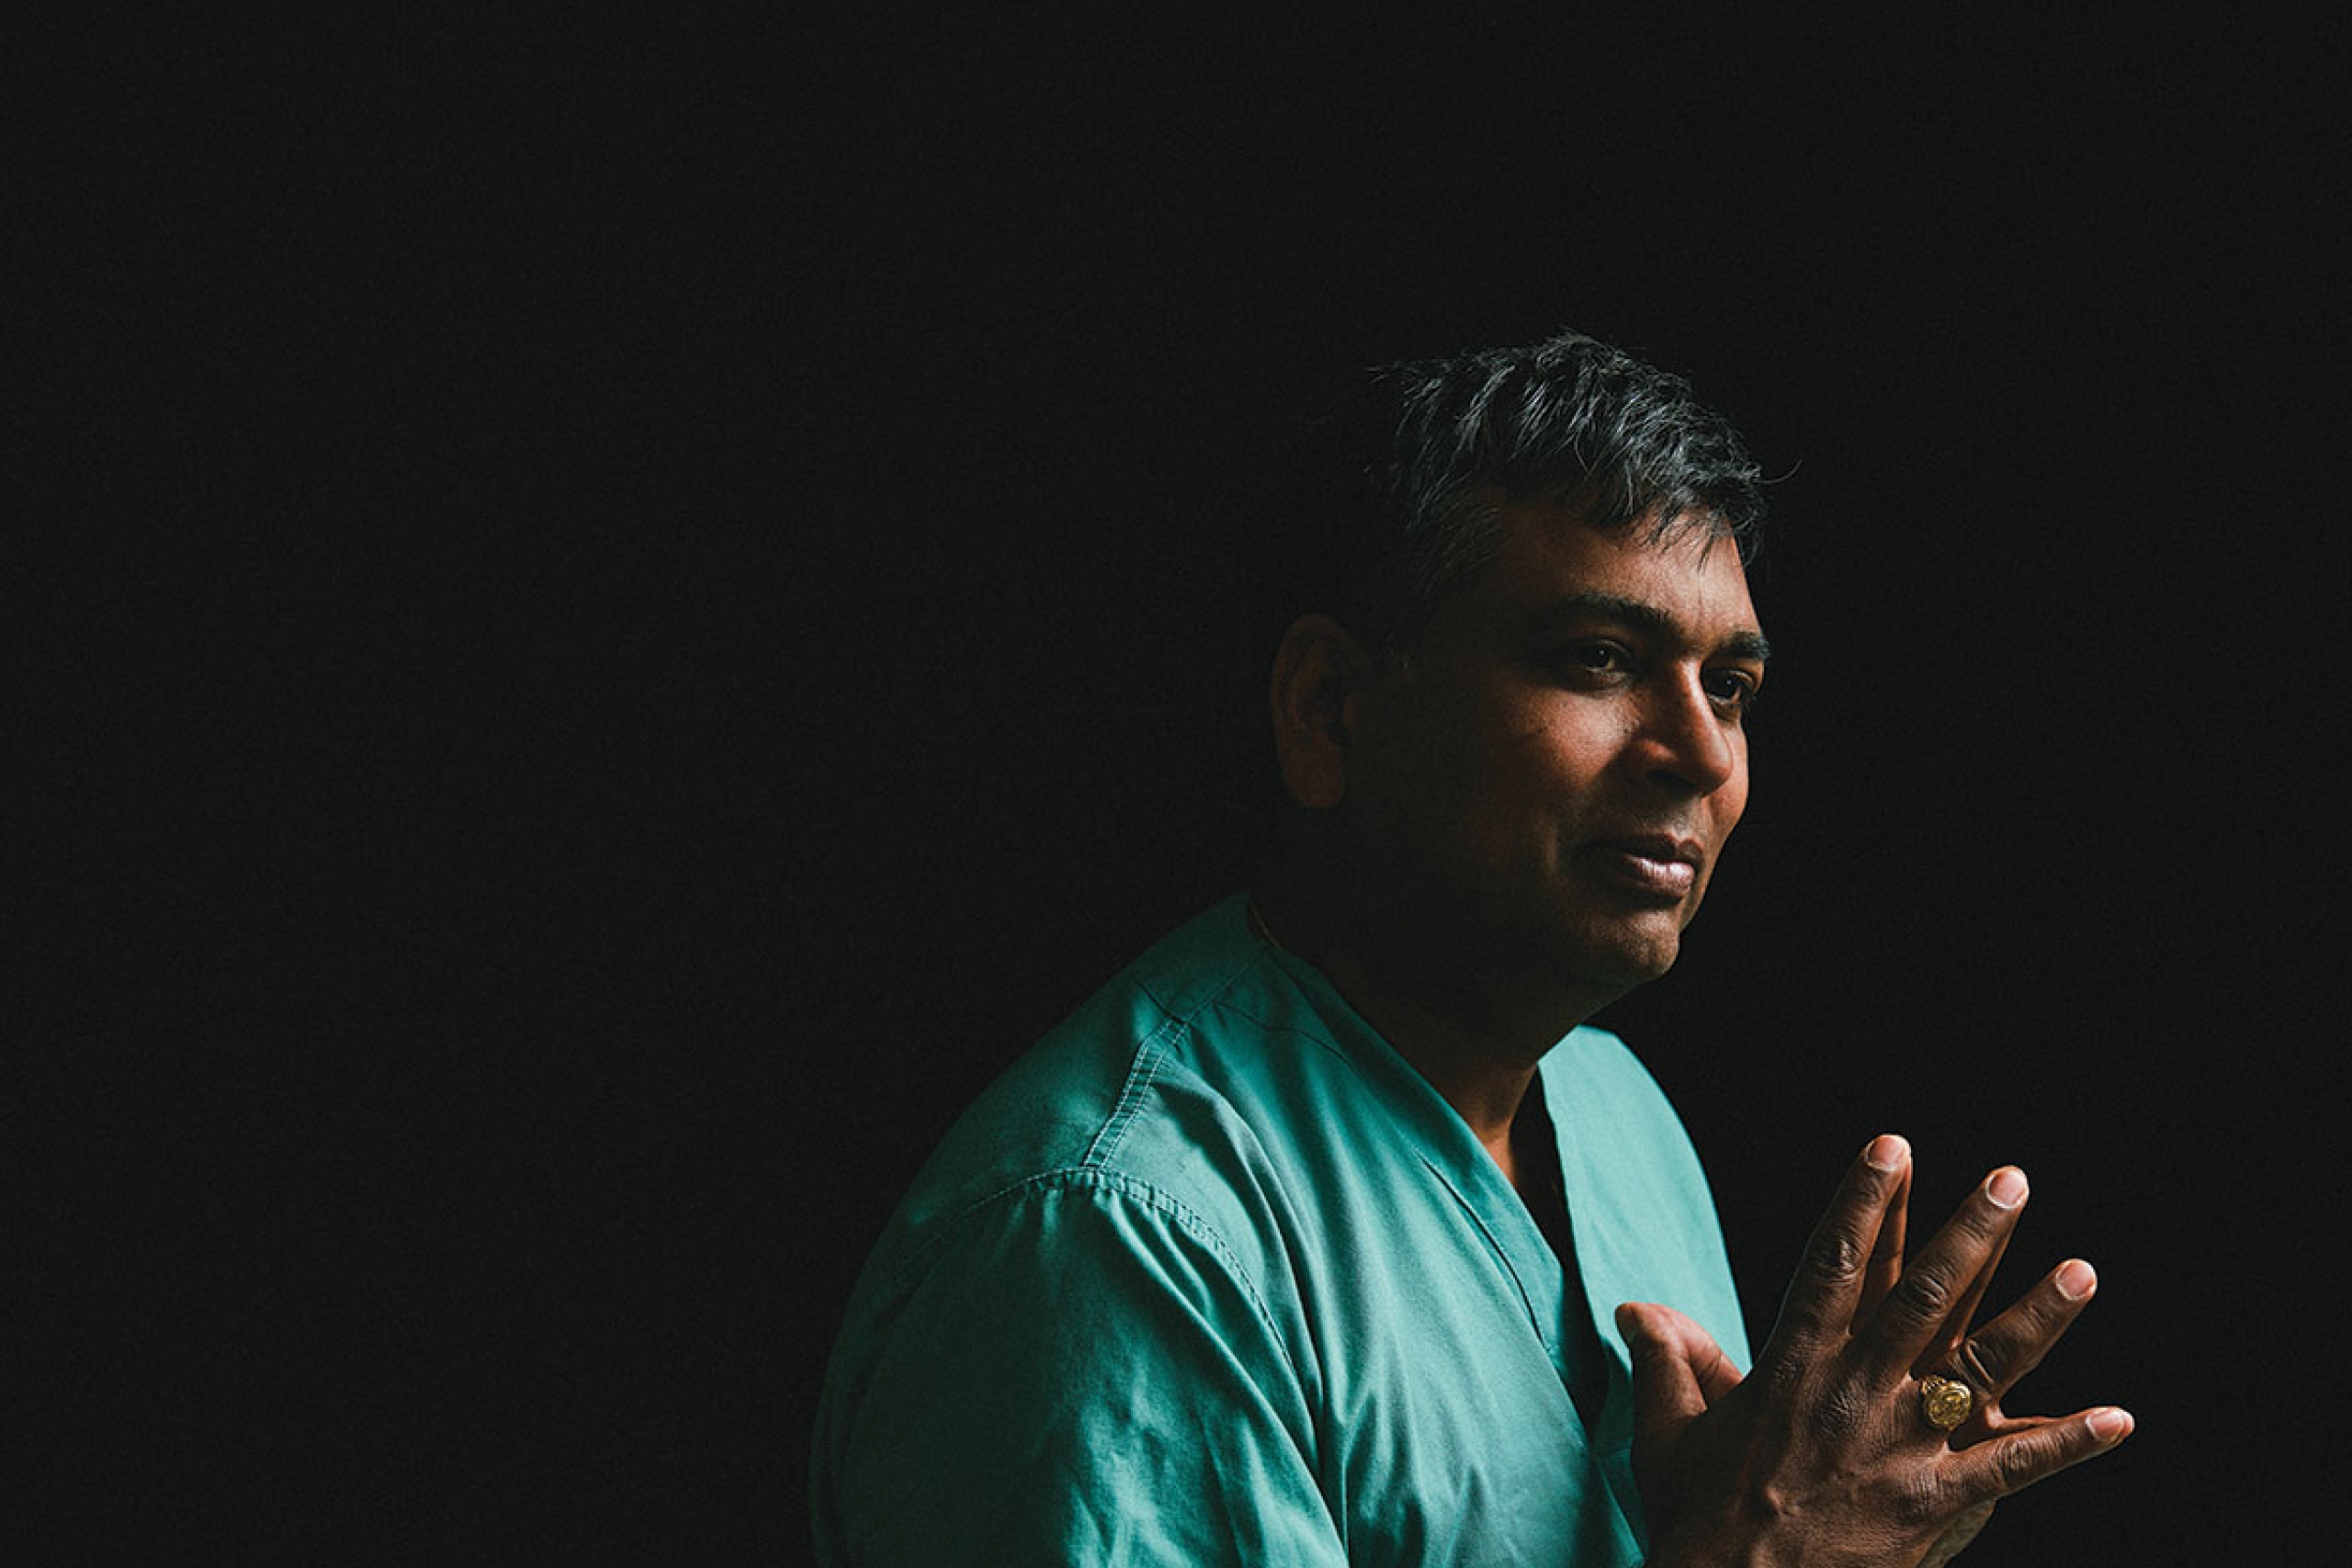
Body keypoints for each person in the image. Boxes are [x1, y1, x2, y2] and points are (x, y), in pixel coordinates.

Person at [809, 330, 2132, 1566]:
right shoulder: (1117, 1237)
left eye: (1729, 686)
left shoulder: (1617, 1111)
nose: (1699, 749)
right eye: (1601, 657)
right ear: (1328, 710)